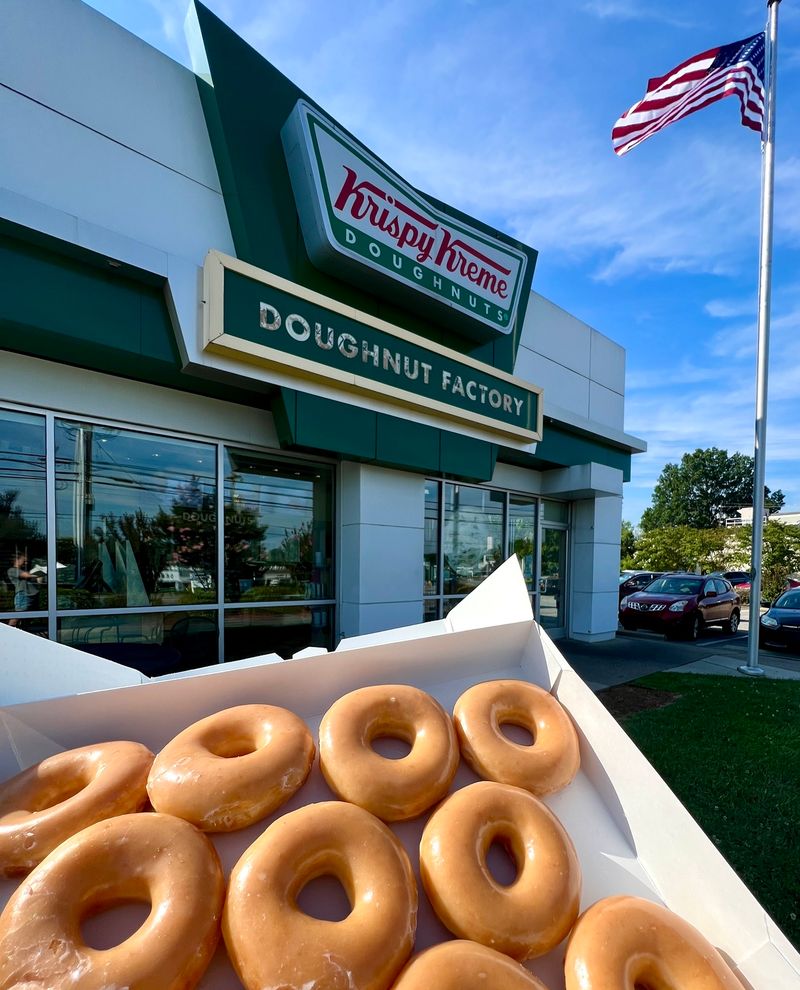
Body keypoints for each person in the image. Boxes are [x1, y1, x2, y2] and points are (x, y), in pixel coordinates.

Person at [7, 552, 43, 625]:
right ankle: (8, 632)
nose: (26, 563)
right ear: (17, 560)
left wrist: (39, 576)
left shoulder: (26, 571)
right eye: (24, 561)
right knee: (17, 615)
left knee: (27, 617)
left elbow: (38, 582)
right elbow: (26, 576)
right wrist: (39, 574)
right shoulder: (12, 570)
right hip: (24, 595)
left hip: (32, 595)